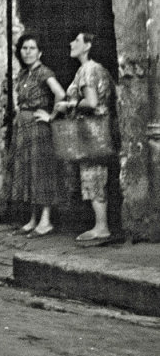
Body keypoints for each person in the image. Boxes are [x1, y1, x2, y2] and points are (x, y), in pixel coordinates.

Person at [55, 31, 117, 244]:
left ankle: (102, 226)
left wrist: (69, 105)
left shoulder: (87, 70)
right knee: (97, 174)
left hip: (91, 131)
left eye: (77, 40)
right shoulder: (99, 69)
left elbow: (91, 102)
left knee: (93, 174)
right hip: (100, 128)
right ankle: (100, 224)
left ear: (88, 45)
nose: (72, 43)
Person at [9, 33, 66, 237]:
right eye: (25, 48)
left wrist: (51, 116)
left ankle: (46, 220)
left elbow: (60, 94)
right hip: (23, 128)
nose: (28, 52)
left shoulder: (44, 73)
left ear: (40, 52)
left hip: (38, 128)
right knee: (28, 171)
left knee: (41, 172)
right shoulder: (24, 74)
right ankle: (33, 219)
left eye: (32, 48)